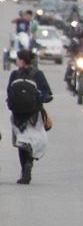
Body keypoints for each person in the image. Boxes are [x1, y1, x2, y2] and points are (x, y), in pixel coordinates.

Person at [7, 49, 53, 184]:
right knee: (32, 141)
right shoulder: (38, 74)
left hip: (17, 116)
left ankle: (24, 171)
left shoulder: (14, 74)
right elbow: (47, 93)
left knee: (21, 142)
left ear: (21, 60)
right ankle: (29, 163)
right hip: (33, 115)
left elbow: (9, 93)